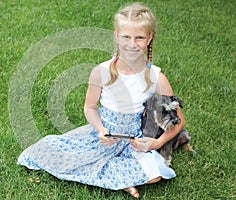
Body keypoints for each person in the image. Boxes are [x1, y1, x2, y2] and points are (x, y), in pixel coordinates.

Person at [18, 2, 185, 198]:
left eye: (139, 37)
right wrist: (100, 129)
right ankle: (119, 180)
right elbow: (89, 107)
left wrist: (154, 144)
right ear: (116, 36)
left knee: (155, 176)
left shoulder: (156, 77)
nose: (132, 44)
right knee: (50, 152)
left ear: (149, 38)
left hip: (133, 140)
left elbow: (179, 120)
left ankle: (115, 178)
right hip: (104, 136)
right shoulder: (102, 72)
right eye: (126, 37)